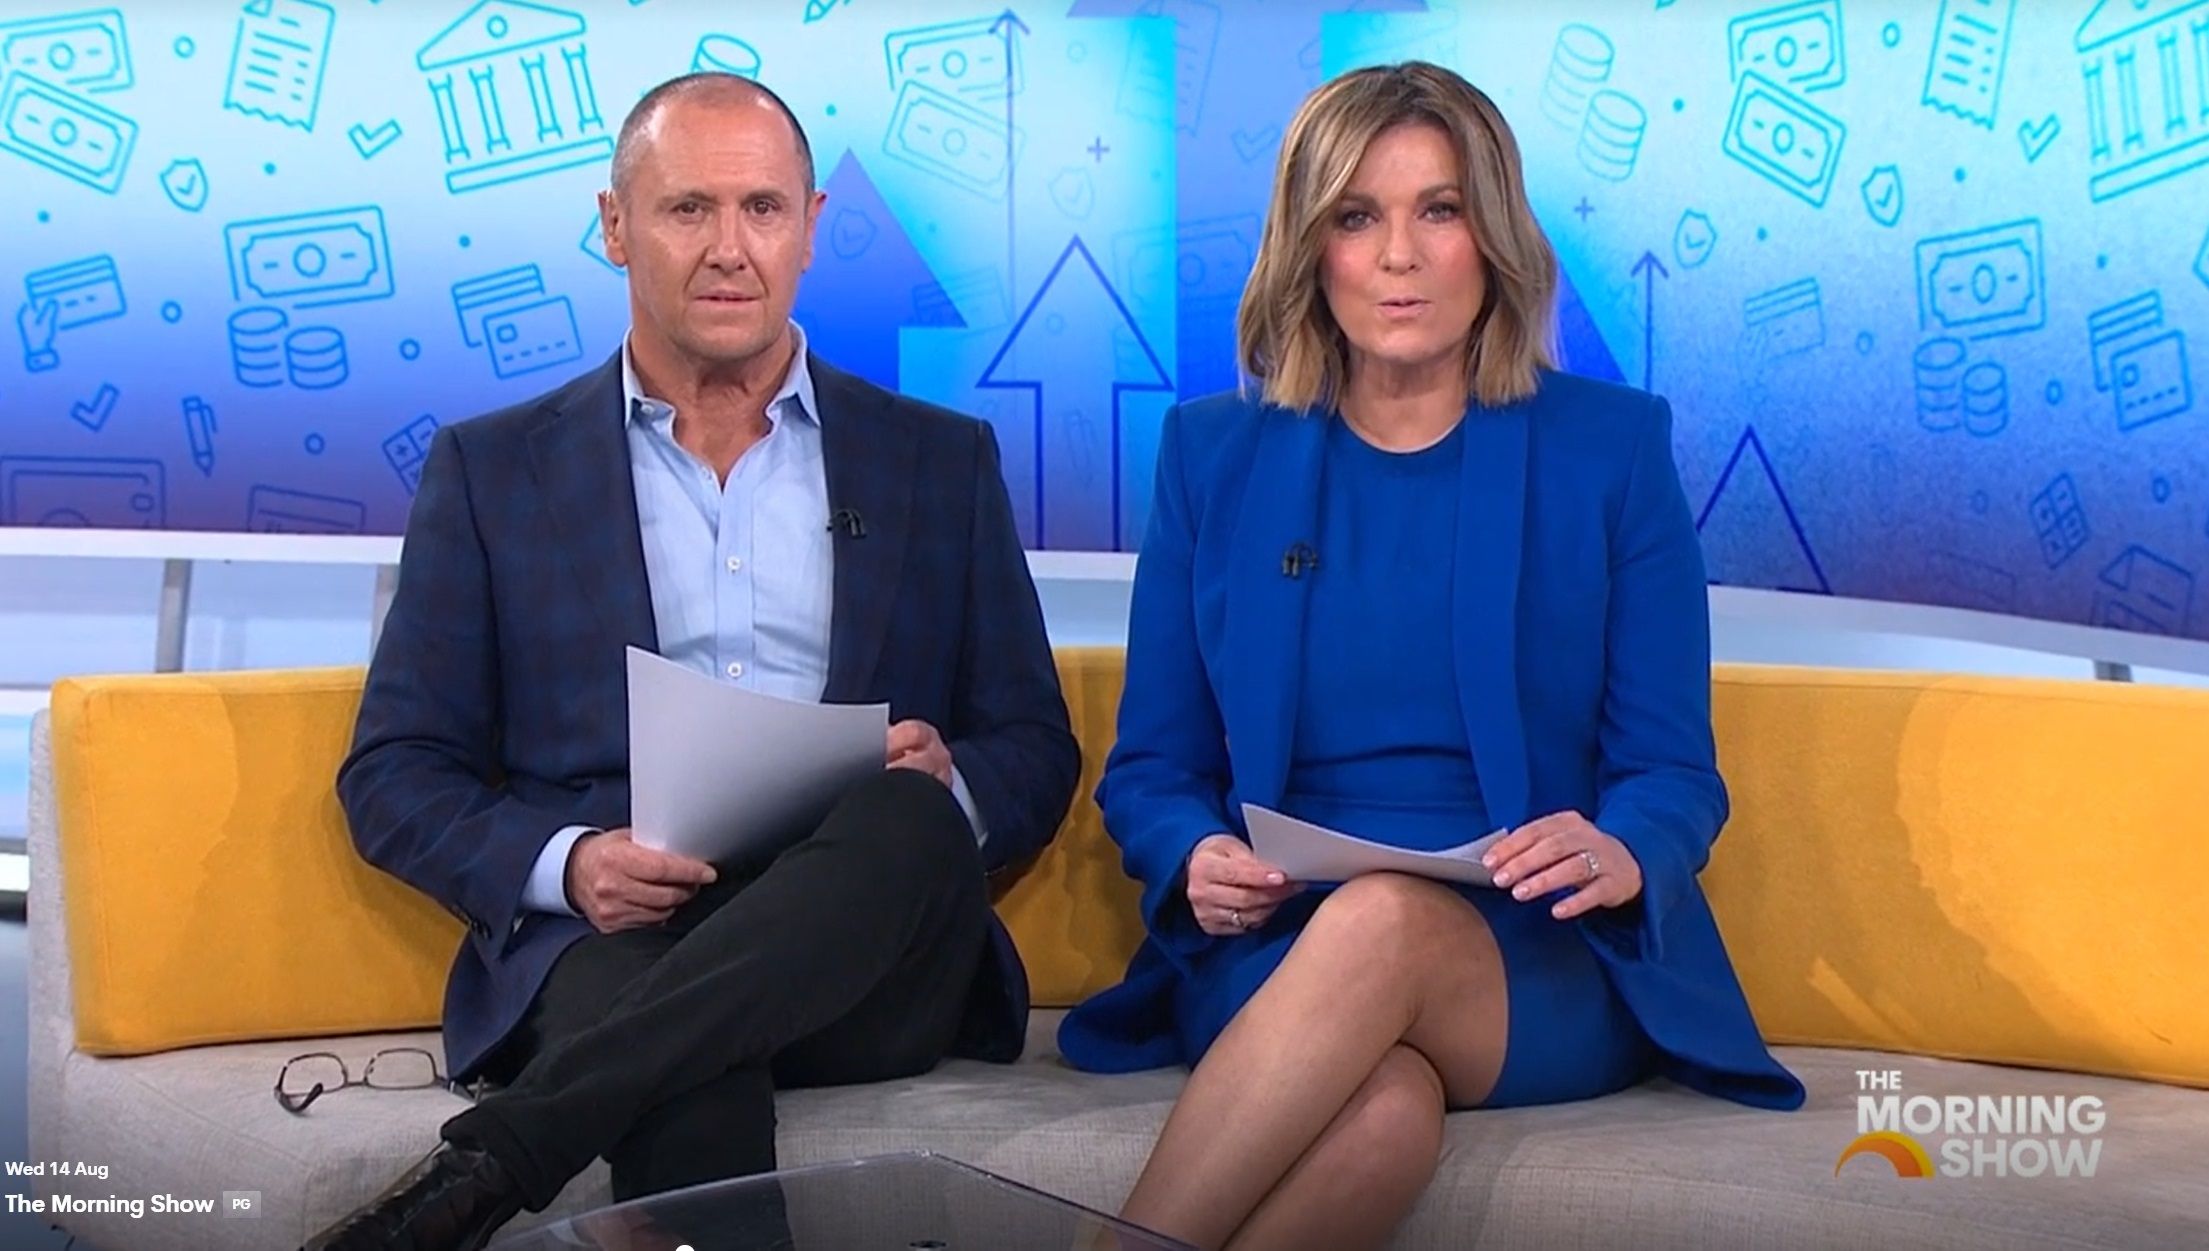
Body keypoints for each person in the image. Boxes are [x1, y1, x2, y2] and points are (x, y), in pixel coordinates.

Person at [309, 73, 1079, 1251]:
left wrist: (950, 784)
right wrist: (570, 866)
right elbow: (395, 772)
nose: (730, 249)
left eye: (762, 209)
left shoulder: (938, 460)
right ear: (616, 225)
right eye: (687, 209)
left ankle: (492, 1163)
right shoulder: (492, 471)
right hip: (618, 941)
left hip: (866, 949)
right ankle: (523, 1152)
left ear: (811, 228)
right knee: (684, 1064)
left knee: (909, 815)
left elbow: (1031, 743)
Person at [1057, 61, 1806, 1251]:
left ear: (1491, 237)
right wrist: (1194, 854)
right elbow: (1153, 768)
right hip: (1282, 945)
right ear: (1310, 249)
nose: (1398, 256)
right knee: (1383, 1119)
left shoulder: (1609, 450)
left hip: (1533, 954)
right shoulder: (1213, 457)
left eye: (1438, 211)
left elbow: (1672, 772)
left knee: (1383, 922)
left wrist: (1619, 847)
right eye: (1357, 217)